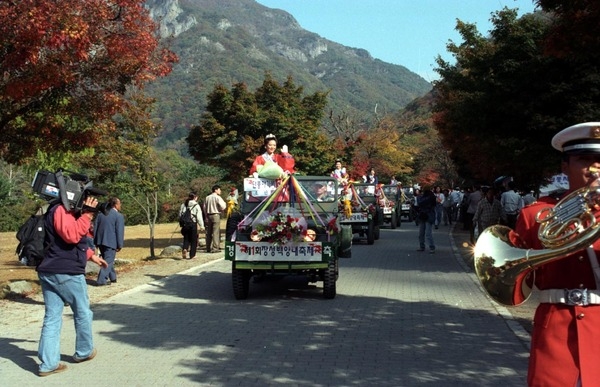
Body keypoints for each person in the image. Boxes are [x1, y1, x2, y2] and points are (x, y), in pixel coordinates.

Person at [516, 122, 600, 386]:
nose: (595, 169)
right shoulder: (536, 215)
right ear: (565, 166)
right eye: (585, 160)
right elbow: (521, 280)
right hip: (555, 331)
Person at [36, 196, 108, 377]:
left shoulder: (58, 209)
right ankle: (84, 351)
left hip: (50, 270)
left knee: (52, 317)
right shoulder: (61, 209)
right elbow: (71, 235)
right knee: (83, 312)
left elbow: (70, 240)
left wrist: (91, 256)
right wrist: (87, 215)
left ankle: (48, 364)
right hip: (65, 271)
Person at [94, 197, 125, 286]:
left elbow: (95, 228)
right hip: (111, 242)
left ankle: (113, 277)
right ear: (115, 205)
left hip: (100, 241)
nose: (120, 205)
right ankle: (101, 280)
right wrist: (120, 244)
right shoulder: (118, 216)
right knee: (109, 261)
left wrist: (95, 241)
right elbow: (119, 231)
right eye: (120, 203)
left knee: (107, 259)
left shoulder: (100, 214)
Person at [179, 192, 205, 259]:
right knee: (194, 239)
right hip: (192, 223)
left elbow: (180, 214)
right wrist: (202, 225)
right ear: (195, 197)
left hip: (185, 224)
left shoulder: (183, 204)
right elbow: (199, 216)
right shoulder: (196, 205)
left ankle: (185, 248)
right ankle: (192, 255)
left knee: (186, 238)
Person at [204, 185, 227, 253]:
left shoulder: (207, 197)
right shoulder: (217, 197)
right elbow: (223, 206)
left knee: (209, 232)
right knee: (216, 232)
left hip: (208, 215)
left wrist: (206, 215)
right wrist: (221, 209)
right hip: (216, 214)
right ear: (216, 190)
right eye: (219, 189)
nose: (220, 191)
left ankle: (208, 247)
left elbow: (204, 207)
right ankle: (215, 247)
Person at [416, 187, 436, 253]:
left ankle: (423, 246)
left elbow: (419, 204)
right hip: (429, 216)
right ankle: (431, 247)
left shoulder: (422, 198)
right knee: (428, 233)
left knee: (422, 233)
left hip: (424, 215)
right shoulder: (432, 198)